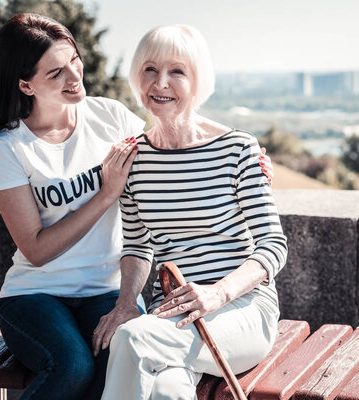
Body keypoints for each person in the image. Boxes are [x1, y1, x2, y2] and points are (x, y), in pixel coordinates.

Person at [0, 14, 274, 400]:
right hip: (38, 293)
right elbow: (36, 248)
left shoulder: (108, 116)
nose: (74, 77)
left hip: (104, 290)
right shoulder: (9, 147)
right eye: (56, 73)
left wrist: (243, 149)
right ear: (25, 84)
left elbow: (171, 126)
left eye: (74, 62)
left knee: (119, 374)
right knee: (73, 366)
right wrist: (105, 195)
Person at [100, 25, 287, 399]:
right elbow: (138, 247)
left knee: (133, 339)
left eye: (177, 72)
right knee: (166, 390)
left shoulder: (237, 149)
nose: (161, 83)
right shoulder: (133, 160)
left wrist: (217, 294)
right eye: (150, 69)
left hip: (242, 310)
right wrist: (124, 305)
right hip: (168, 317)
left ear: (198, 81)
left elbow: (273, 246)